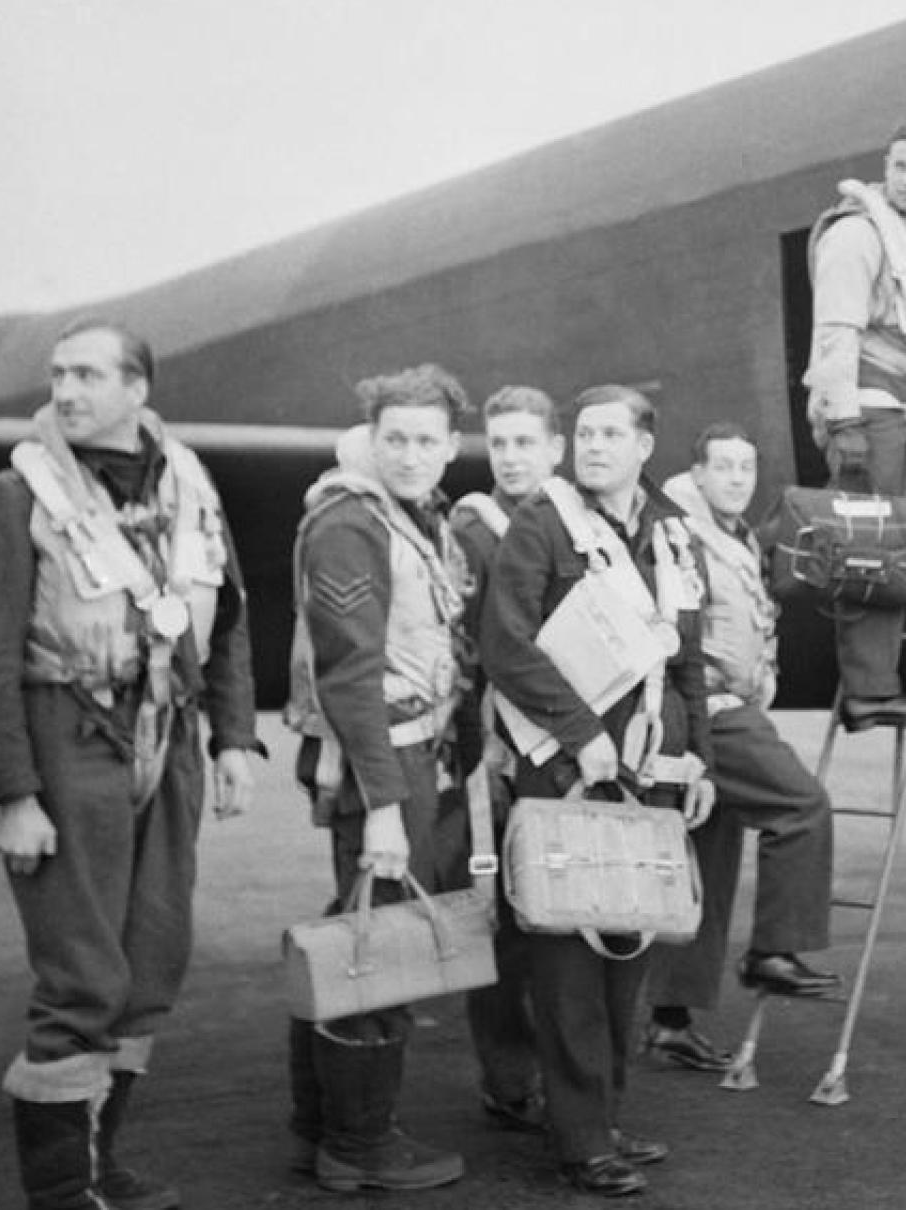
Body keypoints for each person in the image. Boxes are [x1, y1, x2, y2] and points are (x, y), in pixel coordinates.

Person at [0, 319, 260, 1210]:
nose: (66, 391)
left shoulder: (191, 486)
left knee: (151, 961)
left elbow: (228, 620)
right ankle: (59, 1194)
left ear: (138, 390)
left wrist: (234, 739)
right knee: (82, 974)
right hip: (65, 739)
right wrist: (14, 794)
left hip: (167, 738)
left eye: (87, 375)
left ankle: (99, 1164)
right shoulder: (18, 496)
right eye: (58, 374)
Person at [480, 384, 715, 1198]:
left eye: (613, 434)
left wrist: (703, 763)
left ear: (646, 446)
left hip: (653, 770)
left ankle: (604, 1115)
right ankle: (580, 1138)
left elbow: (689, 662)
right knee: (569, 956)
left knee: (629, 946)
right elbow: (504, 648)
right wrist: (584, 739)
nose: (595, 447)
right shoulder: (543, 525)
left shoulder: (673, 535)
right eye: (585, 434)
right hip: (568, 767)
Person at [282, 364, 477, 1193]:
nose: (409, 454)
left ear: (449, 447)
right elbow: (349, 678)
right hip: (382, 760)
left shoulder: (415, 516)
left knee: (357, 928)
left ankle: (320, 1125)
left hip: (414, 751)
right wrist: (387, 809)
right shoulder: (349, 524)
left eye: (425, 441)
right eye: (393, 438)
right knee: (379, 942)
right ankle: (359, 1146)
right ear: (371, 438)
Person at [645, 423, 839, 1071]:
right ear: (696, 473)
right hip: (715, 708)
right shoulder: (682, 535)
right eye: (723, 467)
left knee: (709, 864)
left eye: (746, 468)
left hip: (731, 705)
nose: (736, 478)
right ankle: (772, 952)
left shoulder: (732, 535)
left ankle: (669, 1020)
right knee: (802, 806)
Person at [803, 118, 906, 731]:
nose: (905, 179)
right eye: (897, 165)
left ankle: (876, 684)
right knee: (871, 554)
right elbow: (836, 333)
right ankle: (870, 691)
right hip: (866, 411)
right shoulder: (859, 234)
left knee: (884, 547)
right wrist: (844, 423)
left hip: (899, 411)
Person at [448, 385, 567, 1132]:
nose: (513, 457)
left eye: (527, 443)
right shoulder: (473, 529)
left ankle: (567, 1073)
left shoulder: (567, 519)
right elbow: (456, 653)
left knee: (567, 911)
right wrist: (477, 744)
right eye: (500, 445)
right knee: (505, 921)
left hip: (566, 741)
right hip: (498, 746)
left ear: (555, 448)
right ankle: (510, 1076)